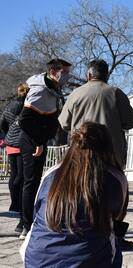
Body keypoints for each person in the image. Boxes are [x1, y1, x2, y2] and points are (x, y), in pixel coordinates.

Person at [20, 122, 127, 267]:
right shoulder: (115, 177)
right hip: (89, 260)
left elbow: (37, 212)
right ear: (108, 147)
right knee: (113, 243)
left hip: (37, 258)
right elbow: (117, 217)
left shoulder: (51, 173)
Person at [58, 59, 133, 249]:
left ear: (88, 75)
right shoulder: (115, 93)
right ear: (107, 75)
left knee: (79, 192)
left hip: (80, 154)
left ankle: (81, 231)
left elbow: (63, 123)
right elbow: (131, 121)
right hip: (111, 153)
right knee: (116, 194)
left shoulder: (76, 94)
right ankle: (115, 237)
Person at [18, 58, 72, 239]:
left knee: (34, 181)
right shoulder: (41, 89)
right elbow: (25, 120)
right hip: (32, 141)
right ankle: (26, 225)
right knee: (31, 182)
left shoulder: (52, 88)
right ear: (53, 72)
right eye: (64, 72)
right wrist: (39, 142)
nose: (67, 76)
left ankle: (24, 220)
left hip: (39, 139)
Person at [0, 83, 29, 231]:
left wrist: (5, 137)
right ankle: (18, 203)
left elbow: (3, 123)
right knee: (22, 176)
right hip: (23, 143)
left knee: (14, 174)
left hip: (10, 142)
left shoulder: (10, 105)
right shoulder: (28, 106)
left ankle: (13, 203)